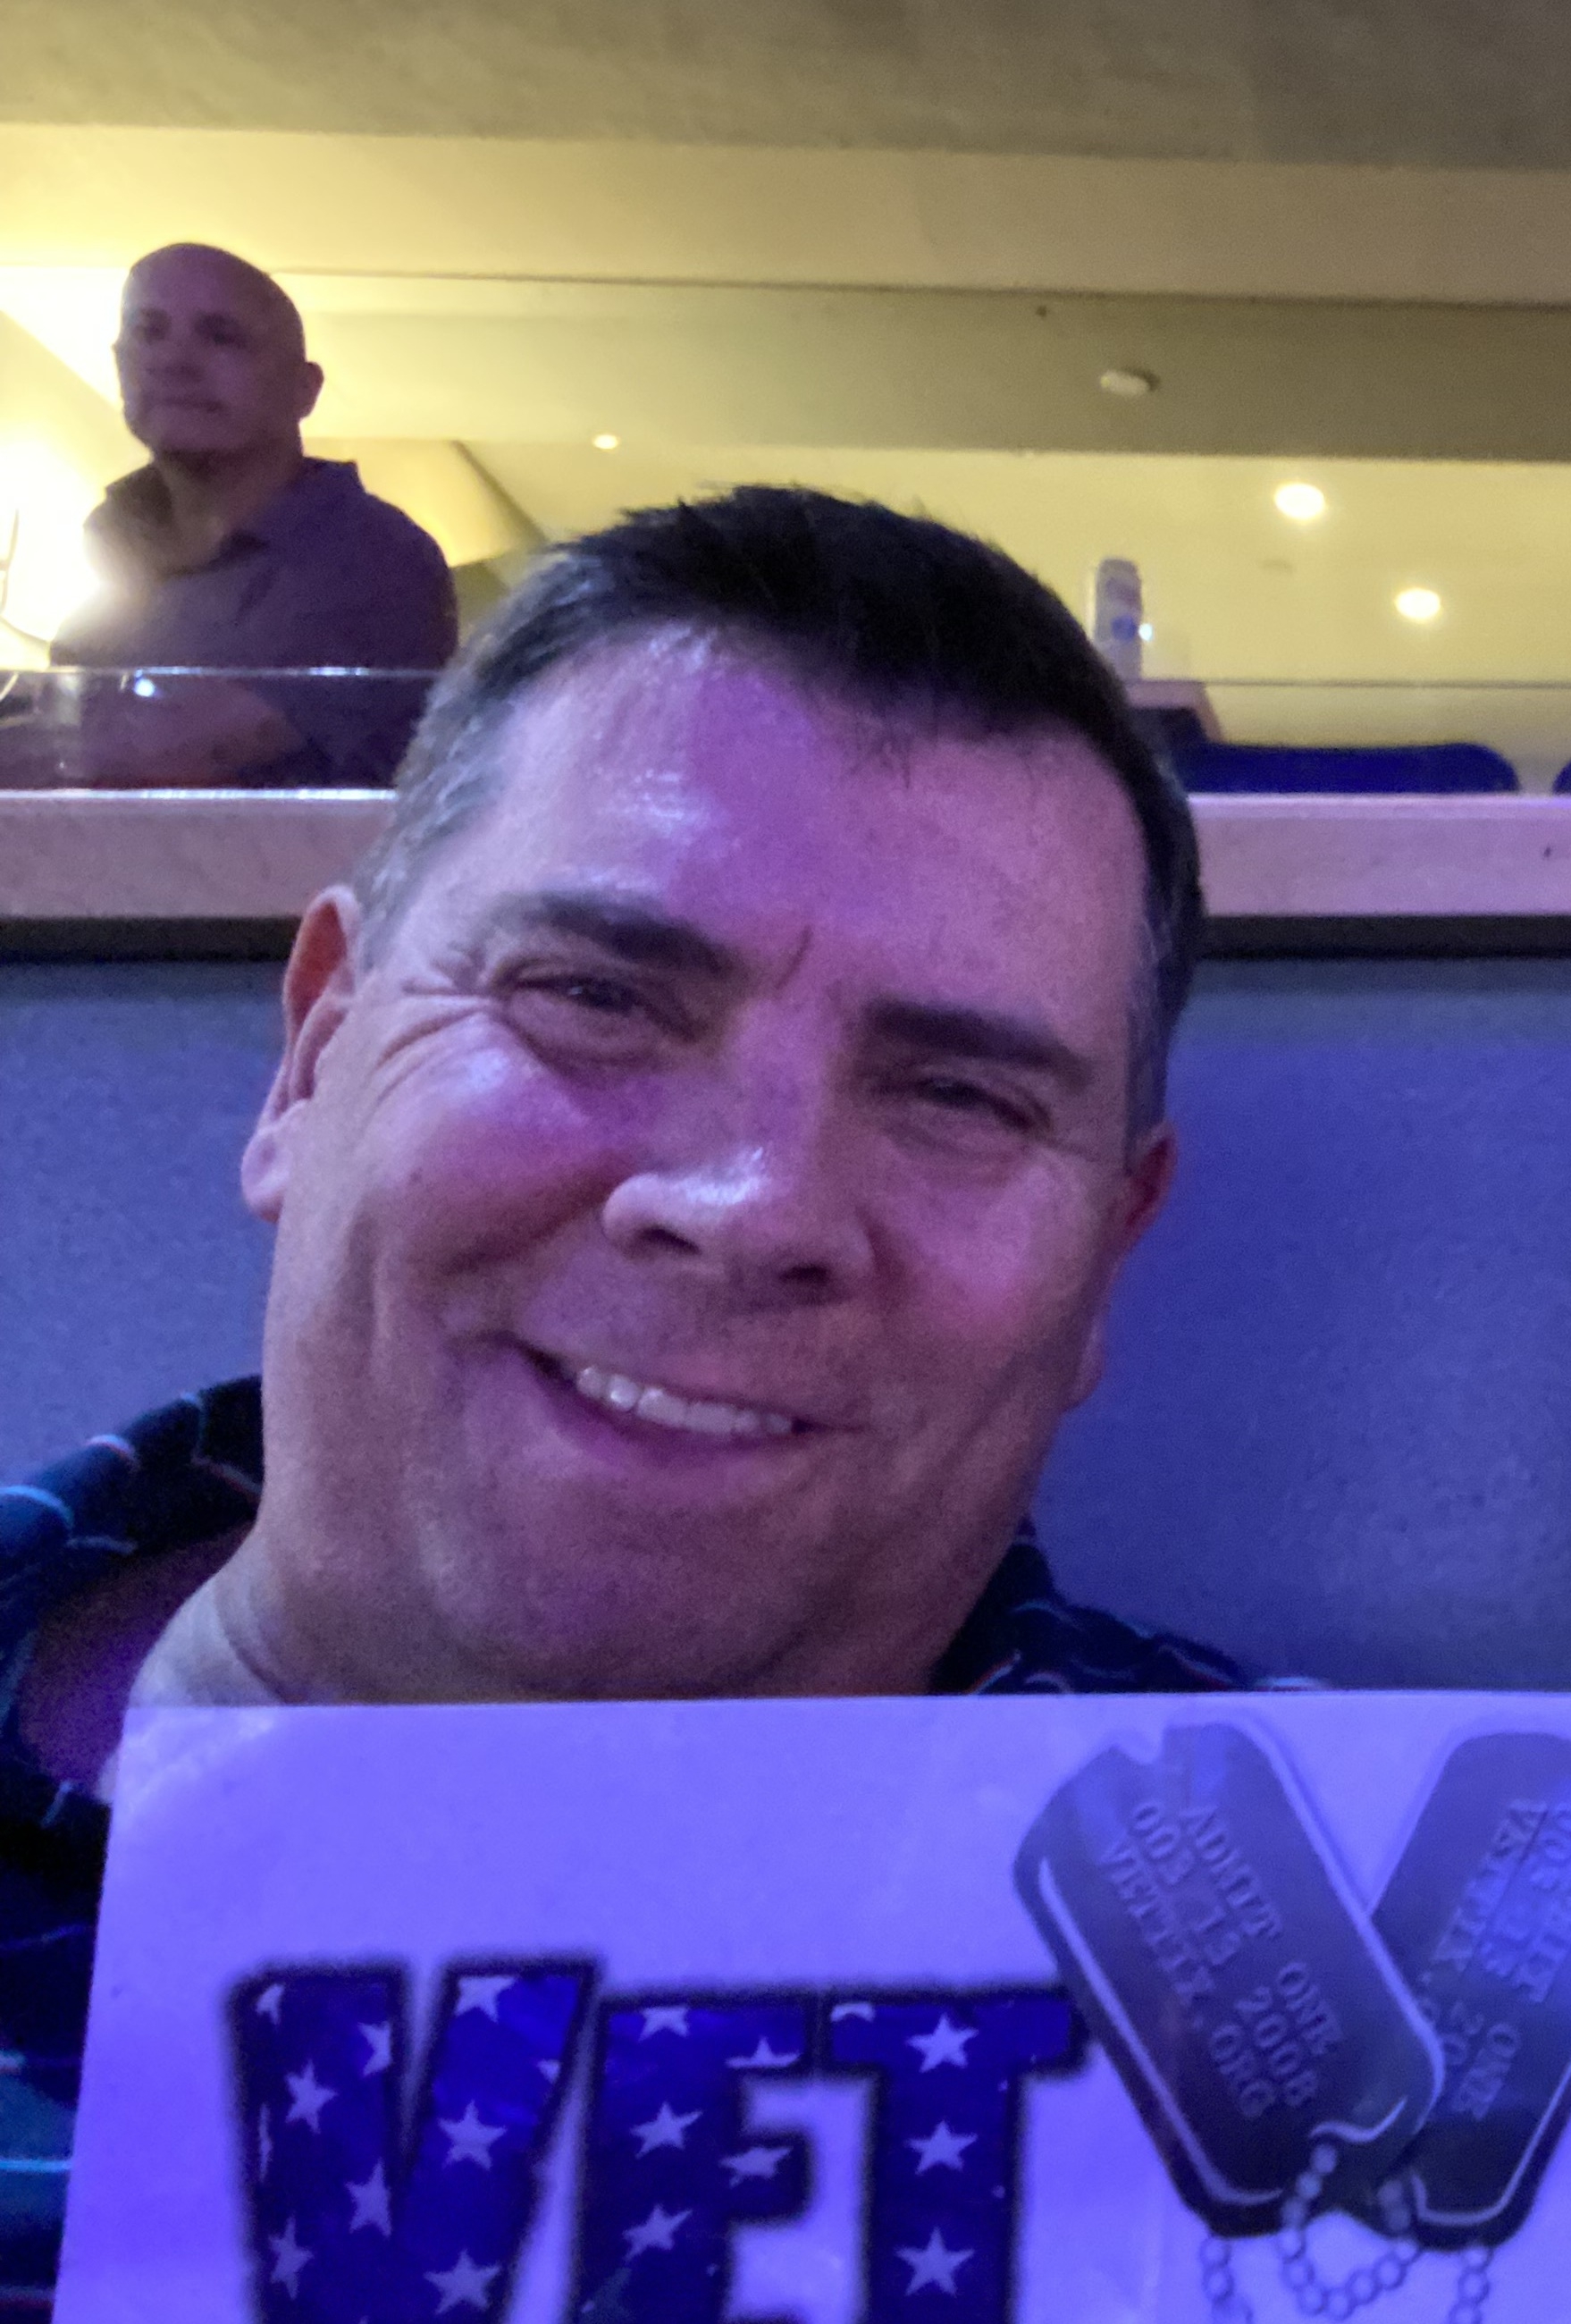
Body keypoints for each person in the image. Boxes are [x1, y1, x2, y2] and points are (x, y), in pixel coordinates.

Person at [0, 487, 1249, 2289]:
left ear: (1106, 1260)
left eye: (960, 1096)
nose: (753, 1206)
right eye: (595, 996)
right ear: (315, 1057)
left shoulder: (1388, 1966)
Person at [6, 243, 456, 789]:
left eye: (221, 336)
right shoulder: (108, 576)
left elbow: (172, 757)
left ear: (304, 389)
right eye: (149, 332)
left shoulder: (377, 559)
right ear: (119, 361)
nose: (175, 362)